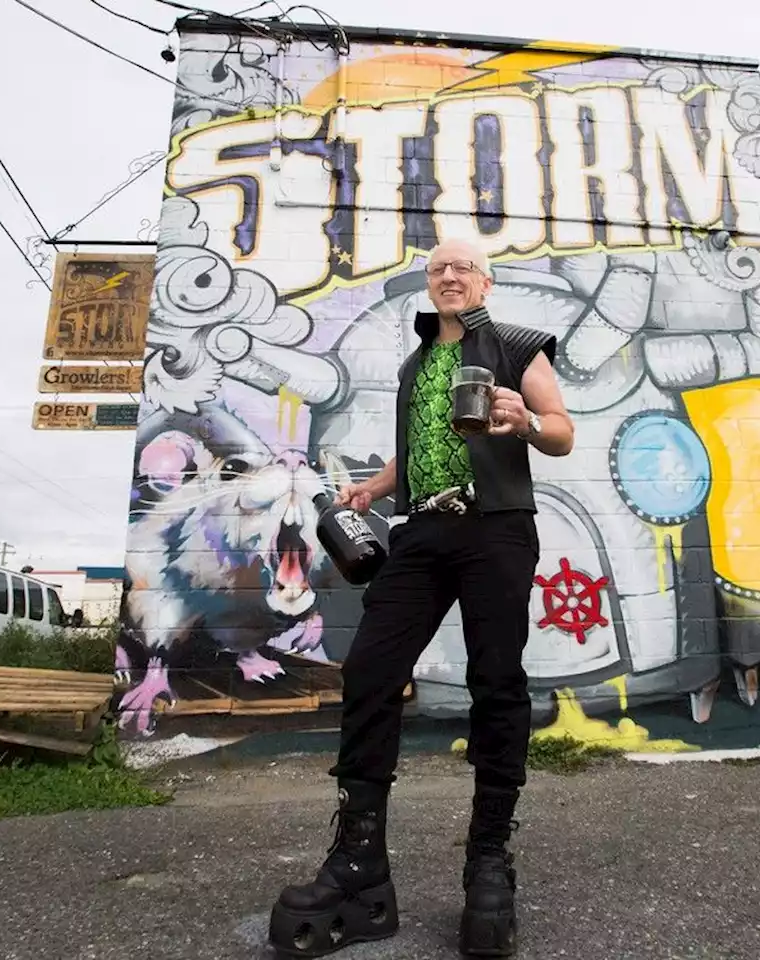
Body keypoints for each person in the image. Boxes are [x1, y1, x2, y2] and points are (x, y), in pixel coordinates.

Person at [268, 237, 574, 959]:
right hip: (422, 531)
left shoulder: (521, 348)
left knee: (496, 682)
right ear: (430, 285)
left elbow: (561, 431)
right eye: (439, 269)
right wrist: (377, 486)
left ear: (486, 281)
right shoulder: (415, 364)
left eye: (463, 267)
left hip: (496, 530)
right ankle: (361, 866)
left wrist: (524, 421)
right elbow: (422, 444)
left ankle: (489, 861)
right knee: (371, 672)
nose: (449, 276)